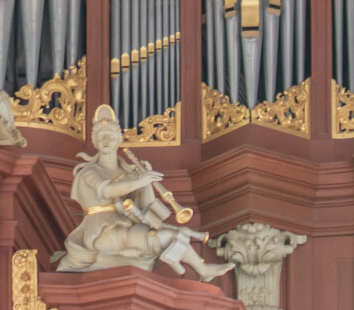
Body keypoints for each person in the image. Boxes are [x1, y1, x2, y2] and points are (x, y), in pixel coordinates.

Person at [57, 106, 229, 279]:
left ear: (119, 139)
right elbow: (107, 190)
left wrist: (146, 183)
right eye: (101, 136)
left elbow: (145, 206)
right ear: (94, 141)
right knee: (165, 237)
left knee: (177, 233)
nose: (106, 140)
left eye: (110, 135)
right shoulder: (89, 171)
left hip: (125, 224)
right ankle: (189, 265)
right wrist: (139, 181)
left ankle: (202, 270)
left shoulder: (129, 172)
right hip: (102, 231)